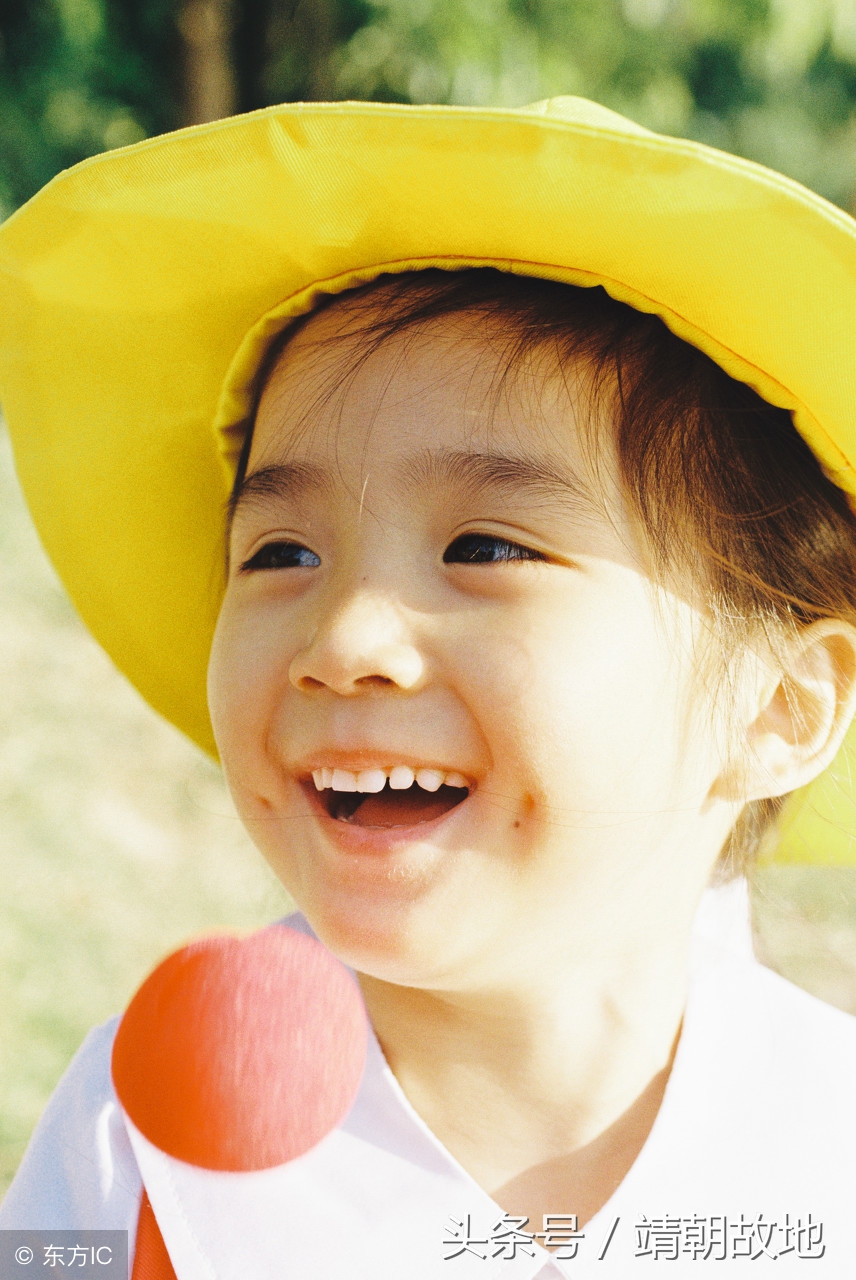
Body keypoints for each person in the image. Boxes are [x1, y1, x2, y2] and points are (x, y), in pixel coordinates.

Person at [0, 97, 855, 1277]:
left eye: (487, 547)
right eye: (281, 553)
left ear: (779, 707)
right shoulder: (142, 1132)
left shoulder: (827, 1157)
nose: (346, 633)